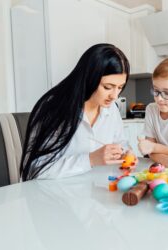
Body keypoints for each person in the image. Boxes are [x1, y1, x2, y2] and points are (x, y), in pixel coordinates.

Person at [20, 43, 132, 181]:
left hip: (94, 193)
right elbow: (36, 168)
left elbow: (121, 143)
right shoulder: (54, 108)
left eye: (120, 87)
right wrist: (90, 159)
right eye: (108, 87)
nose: (115, 96)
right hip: (55, 196)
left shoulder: (111, 109)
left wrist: (126, 154)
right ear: (90, 78)